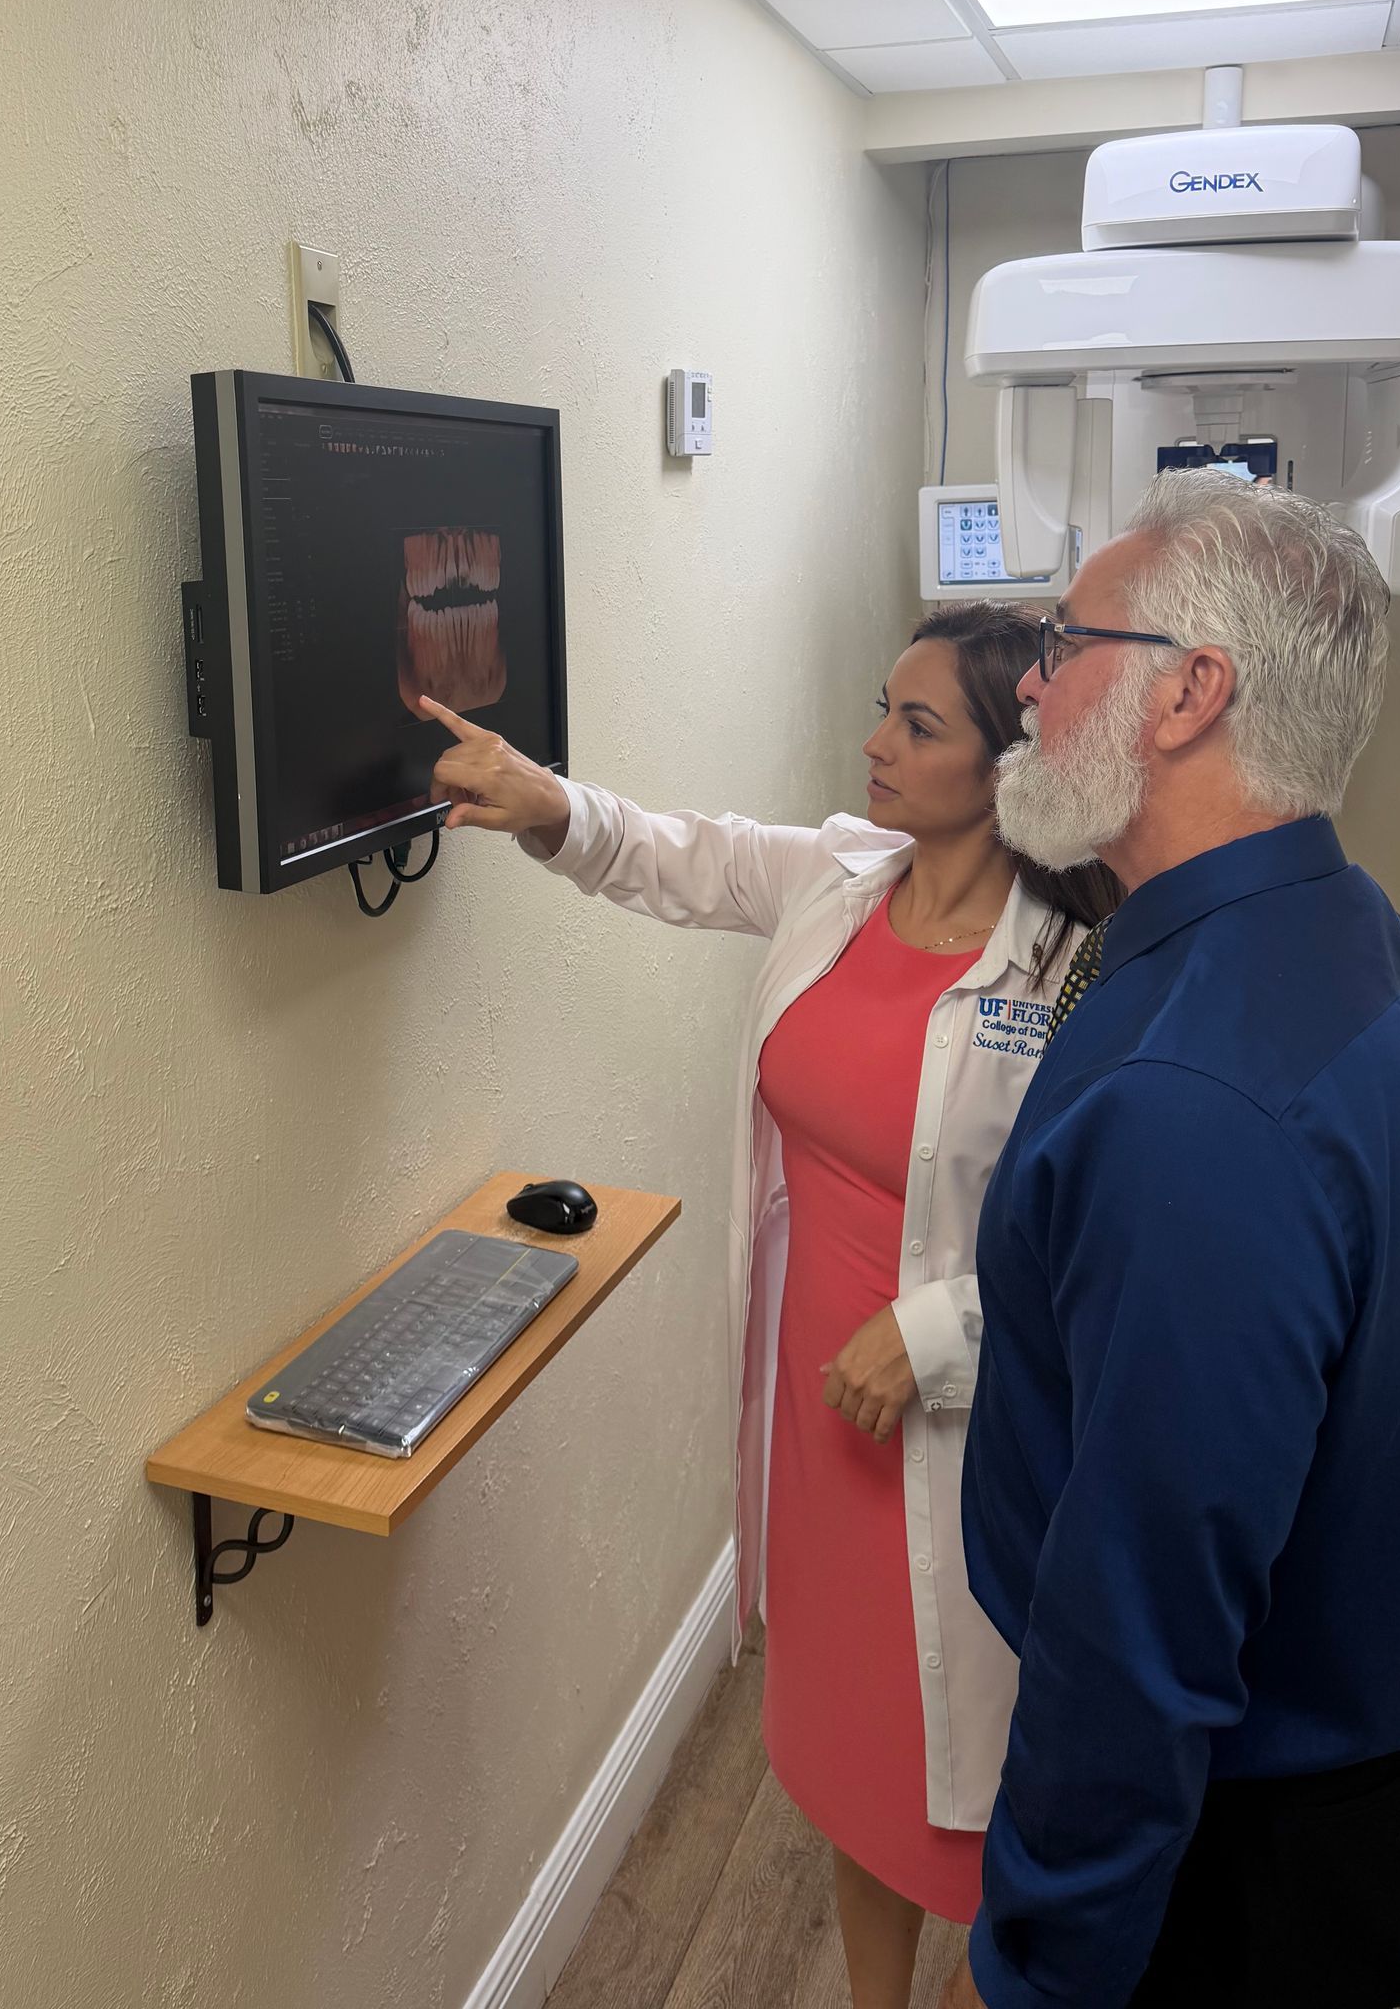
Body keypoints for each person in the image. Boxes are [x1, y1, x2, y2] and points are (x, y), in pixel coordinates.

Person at [421, 606, 1120, 2009]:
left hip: (973, 1438)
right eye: (884, 708)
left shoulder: (1076, 970)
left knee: (983, 1787)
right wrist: (545, 802)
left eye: (917, 727)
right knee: (863, 1762)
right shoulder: (841, 879)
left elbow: (1114, 1254)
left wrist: (939, 1334)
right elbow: (678, 857)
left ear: (1006, 767)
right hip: (819, 1422)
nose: (874, 743)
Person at [942, 472, 1400, 2009]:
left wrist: (1038, 1969)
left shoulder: (1197, 1095)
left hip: (1227, 1834)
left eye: (1064, 641)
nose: (1030, 684)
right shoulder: (1365, 936)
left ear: (1192, 691)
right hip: (1343, 1749)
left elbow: (1145, 1628)